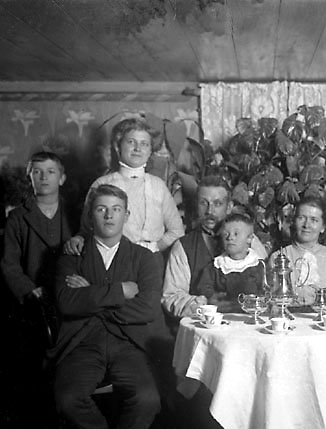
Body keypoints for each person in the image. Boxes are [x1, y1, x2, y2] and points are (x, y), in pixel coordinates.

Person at [52, 184, 162, 429]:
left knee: (147, 398)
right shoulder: (73, 255)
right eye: (101, 209)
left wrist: (91, 294)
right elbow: (66, 302)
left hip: (127, 343)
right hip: (82, 343)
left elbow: (147, 309)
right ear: (91, 215)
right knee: (68, 396)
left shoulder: (144, 258)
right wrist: (118, 292)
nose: (109, 215)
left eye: (116, 209)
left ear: (127, 215)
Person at [0, 151, 79, 429]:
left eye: (50, 172)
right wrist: (29, 290)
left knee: (70, 369)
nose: (44, 178)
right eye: (37, 172)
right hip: (35, 307)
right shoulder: (18, 218)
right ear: (29, 178)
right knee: (34, 373)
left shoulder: (74, 214)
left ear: (62, 178)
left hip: (69, 303)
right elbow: (9, 265)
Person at [64, 118, 185, 257]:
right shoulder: (102, 184)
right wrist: (78, 239)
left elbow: (177, 231)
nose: (138, 148)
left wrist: (154, 247)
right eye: (131, 142)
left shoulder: (158, 186)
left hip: (153, 259)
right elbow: (86, 230)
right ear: (118, 147)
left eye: (144, 144)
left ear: (150, 150)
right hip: (113, 258)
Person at [162, 175, 268, 319]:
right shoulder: (183, 247)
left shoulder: (249, 241)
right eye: (203, 203)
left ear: (229, 207)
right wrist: (204, 305)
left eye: (217, 204)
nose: (209, 211)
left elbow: (266, 283)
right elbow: (171, 296)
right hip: (204, 325)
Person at [269, 196, 326, 307]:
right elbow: (272, 301)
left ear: (323, 227)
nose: (306, 225)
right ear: (294, 221)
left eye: (314, 220)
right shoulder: (279, 257)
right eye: (301, 218)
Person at [197, 212, 266, 311]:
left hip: (252, 314)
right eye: (226, 234)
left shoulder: (259, 266)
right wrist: (211, 298)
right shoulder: (216, 267)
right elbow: (204, 289)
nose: (230, 238)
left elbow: (266, 292)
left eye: (236, 234)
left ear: (249, 239)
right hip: (223, 315)